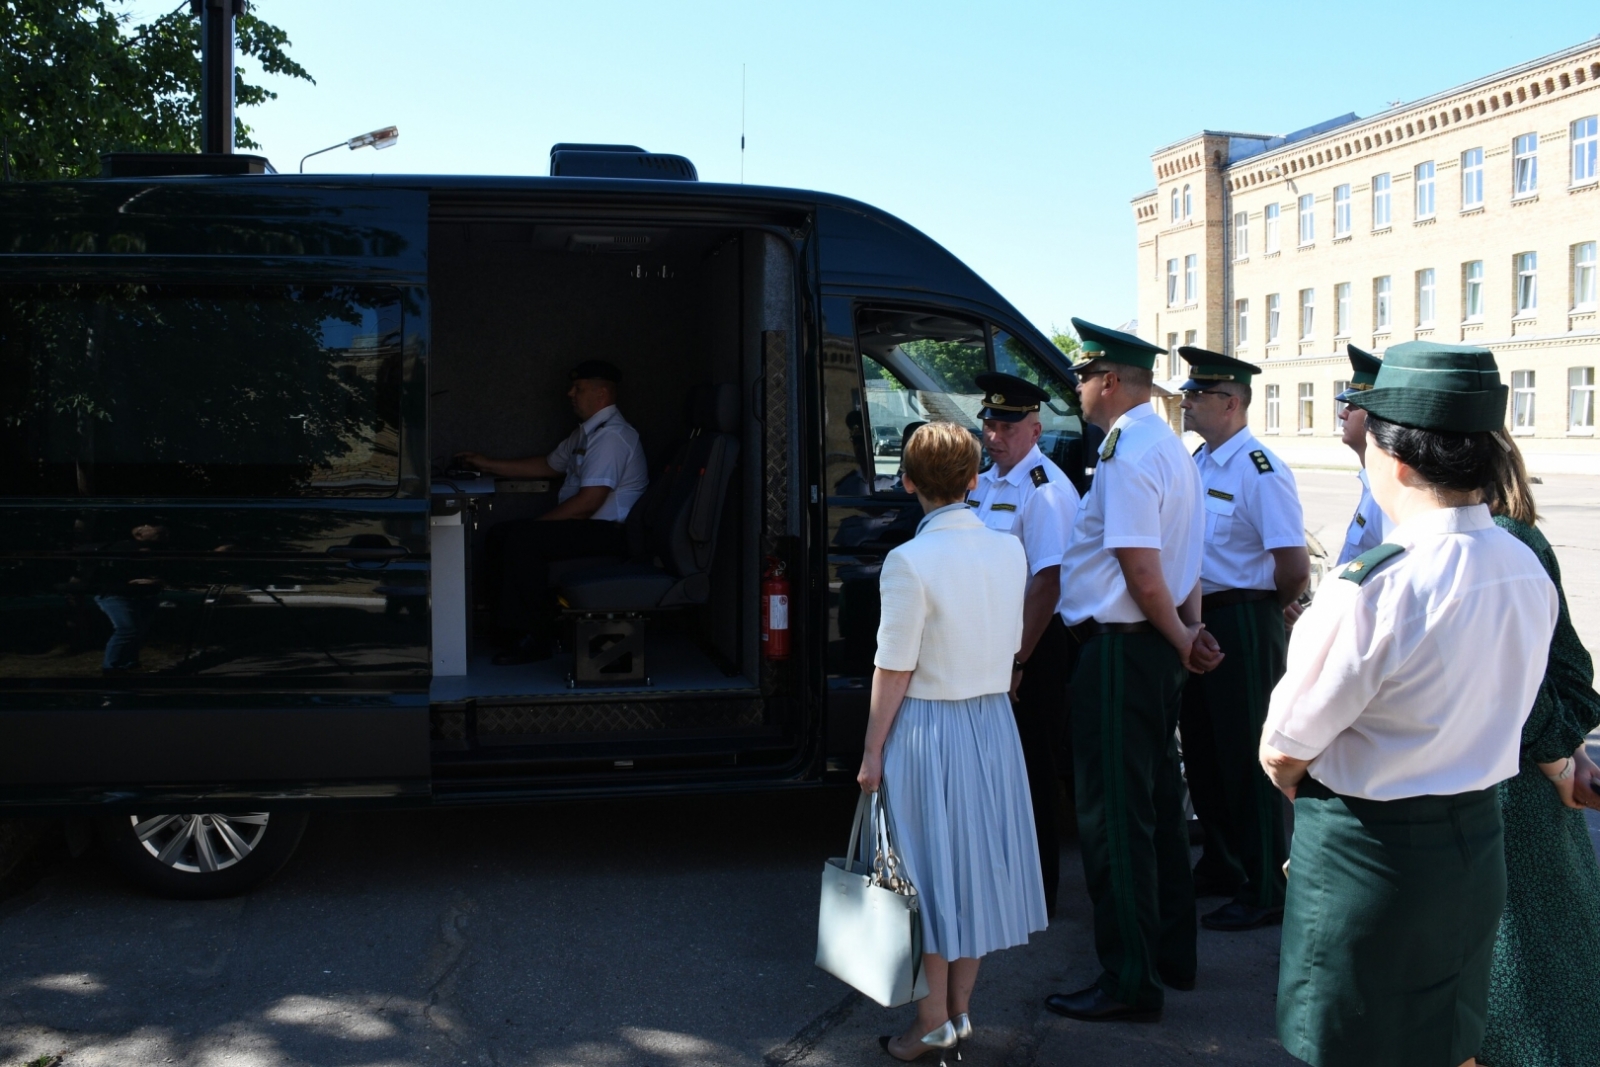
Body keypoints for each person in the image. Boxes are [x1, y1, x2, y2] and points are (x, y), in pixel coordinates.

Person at [1259, 341, 1558, 1067]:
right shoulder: (1523, 564)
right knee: (1447, 1044)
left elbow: (1283, 748)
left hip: (1371, 858)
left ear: (1392, 457)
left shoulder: (1374, 584)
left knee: (1352, 1048)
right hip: (1473, 845)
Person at [857, 420, 1048, 1063]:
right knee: (972, 877)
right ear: (973, 481)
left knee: (930, 882)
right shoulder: (1008, 550)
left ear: (907, 481)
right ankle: (958, 1014)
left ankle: (932, 1020)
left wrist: (871, 751)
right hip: (993, 724)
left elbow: (894, 665)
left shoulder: (908, 560)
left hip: (928, 727)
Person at [1044, 319, 1218, 1024]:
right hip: (1152, 644)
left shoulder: (1123, 450)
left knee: (1115, 821)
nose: (1078, 389)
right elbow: (1187, 556)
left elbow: (1139, 563)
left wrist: (1178, 632)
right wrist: (1189, 629)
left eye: (1082, 376)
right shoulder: (1170, 448)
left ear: (1110, 381)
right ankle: (1172, 955)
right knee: (1157, 811)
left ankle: (1129, 980)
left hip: (1122, 648)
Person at [1175, 348, 1309, 932]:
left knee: (1246, 756)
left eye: (1198, 395)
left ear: (1230, 403)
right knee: (1203, 750)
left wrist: (1264, 611)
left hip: (1244, 619)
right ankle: (1224, 863)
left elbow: (1293, 565)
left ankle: (1266, 884)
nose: (1187, 401)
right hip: (1198, 617)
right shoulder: (1199, 461)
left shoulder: (1261, 469)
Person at [1477, 435, 1600, 1067]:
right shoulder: (1510, 537)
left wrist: (1558, 762)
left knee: (1525, 972)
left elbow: (1545, 681)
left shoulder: (1501, 545)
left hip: (1510, 790)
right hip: (1520, 780)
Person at [967, 371, 1080, 917]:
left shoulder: (1046, 491)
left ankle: (1039, 892)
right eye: (989, 423)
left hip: (1032, 645)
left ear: (1035, 428)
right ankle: (1003, 881)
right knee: (993, 767)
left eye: (1008, 426)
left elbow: (1048, 581)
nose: (995, 434)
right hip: (994, 642)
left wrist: (1018, 660)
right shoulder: (987, 484)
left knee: (1032, 768)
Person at [454, 360, 649, 664]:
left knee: (521, 539)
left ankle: (534, 638)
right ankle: (507, 630)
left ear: (601, 393)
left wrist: (534, 526)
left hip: (609, 534)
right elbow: (548, 465)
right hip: (588, 528)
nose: (570, 393)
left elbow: (588, 504)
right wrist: (487, 464)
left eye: (578, 388)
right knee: (499, 534)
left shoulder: (612, 436)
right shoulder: (587, 433)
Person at [1335, 345, 1386, 566]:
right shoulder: (1371, 481)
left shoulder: (1388, 494)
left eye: (1353, 406)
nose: (1342, 413)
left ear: (1376, 416)